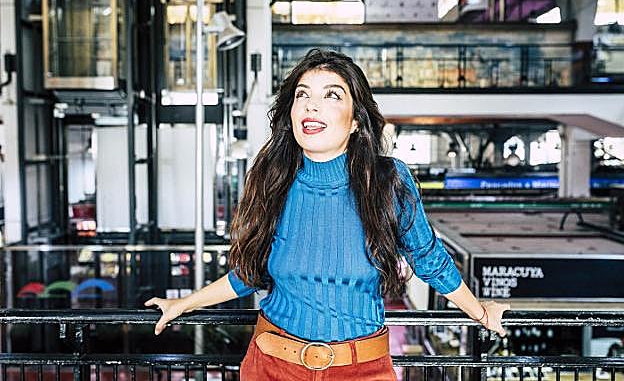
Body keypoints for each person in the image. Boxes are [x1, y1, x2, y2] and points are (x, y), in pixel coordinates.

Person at [145, 49, 510, 380]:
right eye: (302, 95)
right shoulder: (273, 179)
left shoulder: (388, 180)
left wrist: (480, 312)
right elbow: (250, 273)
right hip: (272, 364)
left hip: (362, 368)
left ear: (355, 122)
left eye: (332, 95)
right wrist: (184, 303)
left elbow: (428, 259)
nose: (312, 106)